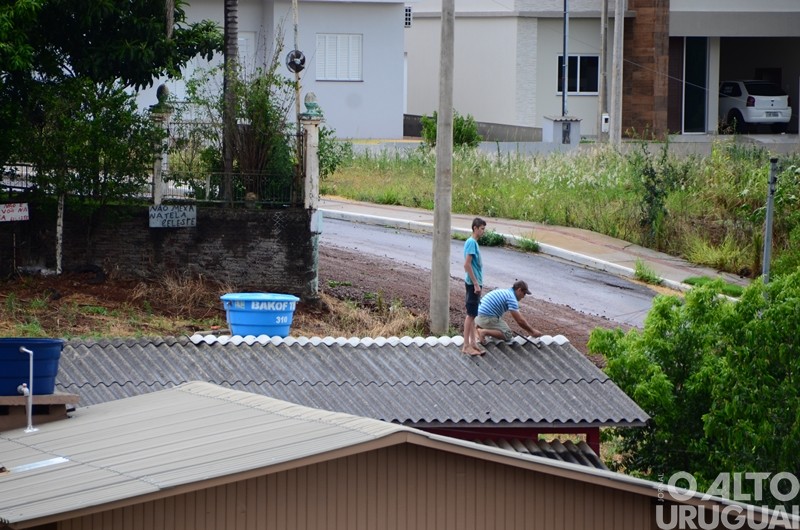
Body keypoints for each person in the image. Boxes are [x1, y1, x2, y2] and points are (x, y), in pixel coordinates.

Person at [476, 280, 543, 343]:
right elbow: (520, 320)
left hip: (477, 315)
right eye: (524, 293)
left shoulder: (504, 291)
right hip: (486, 317)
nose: (523, 297)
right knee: (508, 334)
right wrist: (532, 331)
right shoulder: (511, 298)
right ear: (519, 290)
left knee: (499, 322)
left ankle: (479, 327)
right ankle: (483, 331)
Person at [462, 217, 487, 355]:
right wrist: (476, 284)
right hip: (473, 284)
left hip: (473, 283)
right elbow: (467, 264)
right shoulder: (472, 243)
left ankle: (473, 343)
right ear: (475, 228)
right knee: (470, 315)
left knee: (472, 314)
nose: (483, 231)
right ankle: (466, 346)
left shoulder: (472, 242)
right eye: (482, 229)